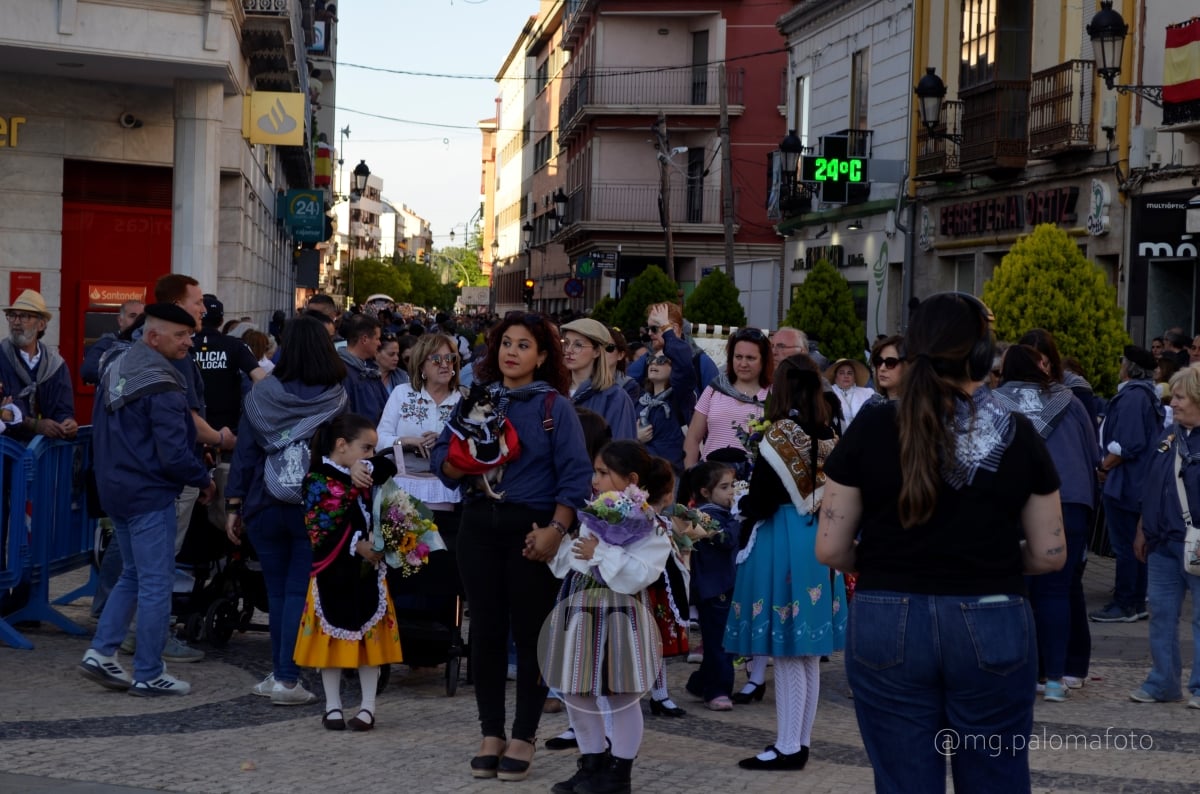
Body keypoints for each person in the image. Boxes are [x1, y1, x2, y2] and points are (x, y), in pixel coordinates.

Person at [816, 292, 1064, 793]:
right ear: (981, 356)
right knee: (995, 778)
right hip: (993, 612)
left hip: (887, 613)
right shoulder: (1019, 431)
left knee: (905, 781)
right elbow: (1048, 553)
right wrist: (989, 560)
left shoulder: (871, 425)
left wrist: (889, 561)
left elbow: (830, 549)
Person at [431, 311, 592, 783]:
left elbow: (576, 477)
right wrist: (461, 463)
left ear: (542, 356)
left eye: (524, 345)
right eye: (505, 343)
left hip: (532, 529)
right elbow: (443, 459)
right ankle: (491, 733)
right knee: (484, 631)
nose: (511, 352)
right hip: (478, 524)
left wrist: (557, 531)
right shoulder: (476, 400)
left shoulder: (553, 407)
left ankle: (524, 734)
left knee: (529, 635)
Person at [78, 303, 215, 696]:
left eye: (190, 335)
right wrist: (203, 479)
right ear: (153, 337)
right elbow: (173, 455)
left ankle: (102, 652)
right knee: (156, 582)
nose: (190, 342)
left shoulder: (117, 364)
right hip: (148, 493)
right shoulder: (165, 383)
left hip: (114, 489)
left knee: (133, 574)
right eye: (181, 335)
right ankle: (149, 672)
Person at [225, 316, 356, 705]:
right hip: (315, 506)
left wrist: (234, 504)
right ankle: (286, 677)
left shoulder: (262, 394)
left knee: (277, 591)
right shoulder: (336, 398)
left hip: (264, 502)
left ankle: (280, 672)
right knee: (299, 591)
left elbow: (245, 453)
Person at [724, 354, 847, 770]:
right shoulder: (829, 432)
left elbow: (761, 500)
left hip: (784, 538)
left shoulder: (778, 433)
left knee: (791, 651)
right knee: (807, 652)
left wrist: (739, 499)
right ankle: (799, 741)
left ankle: (788, 746)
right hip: (819, 539)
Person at [546, 440, 675, 794]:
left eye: (603, 473)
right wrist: (554, 554)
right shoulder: (595, 514)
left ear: (630, 478)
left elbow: (640, 573)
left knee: (621, 693)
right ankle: (592, 763)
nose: (595, 480)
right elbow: (578, 558)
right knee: (576, 689)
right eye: (596, 471)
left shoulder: (652, 525)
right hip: (581, 608)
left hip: (621, 612)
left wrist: (601, 551)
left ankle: (619, 774)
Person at [993, 344, 1099, 702]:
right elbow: (1094, 455)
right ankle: (1056, 680)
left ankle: (1024, 674)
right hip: (1072, 501)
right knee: (1058, 590)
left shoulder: (995, 402)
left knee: (1019, 589)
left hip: (1021, 504)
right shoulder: (1070, 400)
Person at [296, 413, 402, 731]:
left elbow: (389, 466)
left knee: (369, 642)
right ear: (342, 445)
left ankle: (368, 706)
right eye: (365, 448)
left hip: (368, 574)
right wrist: (357, 545)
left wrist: (365, 465)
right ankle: (332, 705)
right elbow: (321, 528)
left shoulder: (368, 472)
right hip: (334, 572)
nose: (371, 454)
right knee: (331, 640)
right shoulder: (317, 480)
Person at [1132, 365, 1200, 707]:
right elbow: (1153, 485)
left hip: (1196, 544)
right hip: (1161, 543)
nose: (1172, 402)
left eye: (1180, 396)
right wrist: (1143, 528)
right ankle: (1163, 683)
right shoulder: (1168, 436)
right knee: (1160, 612)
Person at [1092, 345, 1163, 623]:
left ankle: (1126, 603)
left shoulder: (1134, 397)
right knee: (1136, 545)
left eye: (1122, 362)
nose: (1119, 366)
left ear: (1129, 368)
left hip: (1125, 484)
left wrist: (1104, 465)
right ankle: (1135, 601)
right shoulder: (1144, 395)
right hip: (1134, 483)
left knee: (1126, 548)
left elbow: (1129, 443)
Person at [376, 333, 463, 547]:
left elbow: (476, 449)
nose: (444, 365)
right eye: (435, 359)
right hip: (403, 494)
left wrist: (445, 441)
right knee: (404, 568)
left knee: (443, 566)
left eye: (450, 358)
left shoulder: (462, 399)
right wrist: (405, 441)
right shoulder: (402, 394)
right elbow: (379, 440)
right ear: (421, 366)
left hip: (449, 495)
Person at [680, 460, 739, 711]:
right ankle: (717, 690)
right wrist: (740, 519)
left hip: (723, 586)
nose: (732, 492)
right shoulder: (706, 516)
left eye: (733, 486)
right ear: (706, 492)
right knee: (720, 643)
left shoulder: (720, 514)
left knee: (721, 641)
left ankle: (700, 682)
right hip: (714, 589)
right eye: (725, 487)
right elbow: (726, 540)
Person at [683, 328, 771, 469]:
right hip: (712, 481)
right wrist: (690, 479)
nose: (743, 364)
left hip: (753, 483)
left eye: (750, 358)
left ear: (764, 360)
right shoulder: (714, 389)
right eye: (738, 357)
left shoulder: (774, 395)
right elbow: (692, 439)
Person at [0, 289, 77, 443]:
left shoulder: (55, 365)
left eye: (24, 316)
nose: (16, 322)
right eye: (12, 315)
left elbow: (63, 408)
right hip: (6, 454)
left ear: (41, 324)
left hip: (43, 454)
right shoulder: (1, 357)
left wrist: (68, 423)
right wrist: (35, 424)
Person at [561, 318, 637, 440]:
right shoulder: (554, 391)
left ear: (596, 351)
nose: (568, 350)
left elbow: (619, 450)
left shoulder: (615, 397)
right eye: (566, 343)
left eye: (578, 345)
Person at [626, 302, 715, 399]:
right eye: (648, 329)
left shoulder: (701, 362)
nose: (650, 333)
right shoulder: (648, 358)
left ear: (674, 329)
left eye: (654, 328)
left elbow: (716, 405)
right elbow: (625, 382)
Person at [636, 350, 686, 475]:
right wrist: (635, 438)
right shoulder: (640, 401)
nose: (654, 363)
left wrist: (669, 334)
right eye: (651, 359)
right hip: (642, 469)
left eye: (661, 360)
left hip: (670, 472)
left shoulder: (681, 397)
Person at [338, 313, 388, 425]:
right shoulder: (342, 372)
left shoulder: (369, 368)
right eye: (377, 338)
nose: (379, 343)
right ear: (364, 339)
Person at [81, 299, 143, 385]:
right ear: (120, 320)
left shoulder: (148, 344)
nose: (138, 321)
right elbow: (88, 371)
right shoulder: (106, 343)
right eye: (132, 316)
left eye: (141, 317)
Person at [825, 357, 875, 429]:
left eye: (850, 373)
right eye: (842, 373)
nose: (846, 376)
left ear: (854, 377)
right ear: (835, 377)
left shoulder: (867, 393)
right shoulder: (829, 393)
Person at [869, 335, 905, 401]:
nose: (882, 368)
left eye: (890, 362)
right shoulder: (871, 404)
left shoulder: (919, 407)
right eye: (879, 361)